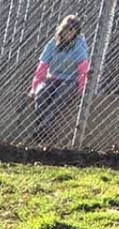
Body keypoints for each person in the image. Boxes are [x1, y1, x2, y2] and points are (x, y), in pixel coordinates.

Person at [30, 14, 91, 145]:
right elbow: (42, 67)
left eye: (73, 30)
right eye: (67, 29)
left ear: (76, 33)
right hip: (53, 78)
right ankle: (41, 125)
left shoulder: (78, 46)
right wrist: (35, 88)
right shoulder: (52, 44)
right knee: (42, 94)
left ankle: (44, 128)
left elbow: (83, 70)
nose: (69, 32)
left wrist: (82, 90)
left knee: (59, 96)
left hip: (71, 81)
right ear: (62, 29)